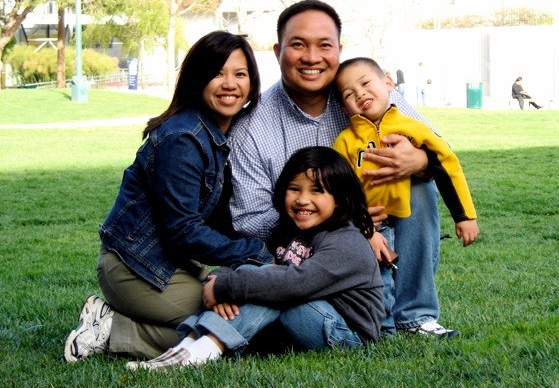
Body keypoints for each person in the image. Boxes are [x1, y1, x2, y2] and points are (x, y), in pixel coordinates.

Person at [228, 0, 461, 337]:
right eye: (298, 45)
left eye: (324, 45)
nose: (312, 57)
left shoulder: (369, 93)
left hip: (386, 227)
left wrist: (421, 161)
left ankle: (415, 315)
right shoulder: (252, 128)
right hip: (309, 254)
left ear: (339, 49)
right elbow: (251, 221)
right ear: (278, 50)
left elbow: (440, 149)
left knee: (419, 184)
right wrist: (345, 228)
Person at [64, 31, 273, 362]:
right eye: (217, 73)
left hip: (170, 265)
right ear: (196, 80)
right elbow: (184, 231)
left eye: (239, 74)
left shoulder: (213, 134)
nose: (229, 83)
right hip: (135, 268)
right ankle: (112, 328)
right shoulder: (183, 139)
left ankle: (110, 319)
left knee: (241, 317)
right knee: (234, 329)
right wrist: (254, 251)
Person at [125, 146, 385, 370]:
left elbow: (294, 284)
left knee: (275, 288)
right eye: (294, 189)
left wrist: (228, 287)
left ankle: (200, 352)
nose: (302, 200)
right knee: (268, 282)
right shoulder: (292, 231)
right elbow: (262, 267)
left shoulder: (346, 242)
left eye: (317, 191)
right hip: (305, 318)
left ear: (340, 200)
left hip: (346, 334)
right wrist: (222, 278)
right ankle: (187, 347)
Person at [332, 56, 479, 257]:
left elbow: (447, 164)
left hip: (409, 222)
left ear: (388, 83)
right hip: (369, 226)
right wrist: (362, 224)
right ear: (344, 110)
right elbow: (338, 189)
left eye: (365, 83)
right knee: (380, 285)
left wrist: (464, 216)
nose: (360, 93)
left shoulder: (414, 128)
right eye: (349, 94)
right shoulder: (345, 141)